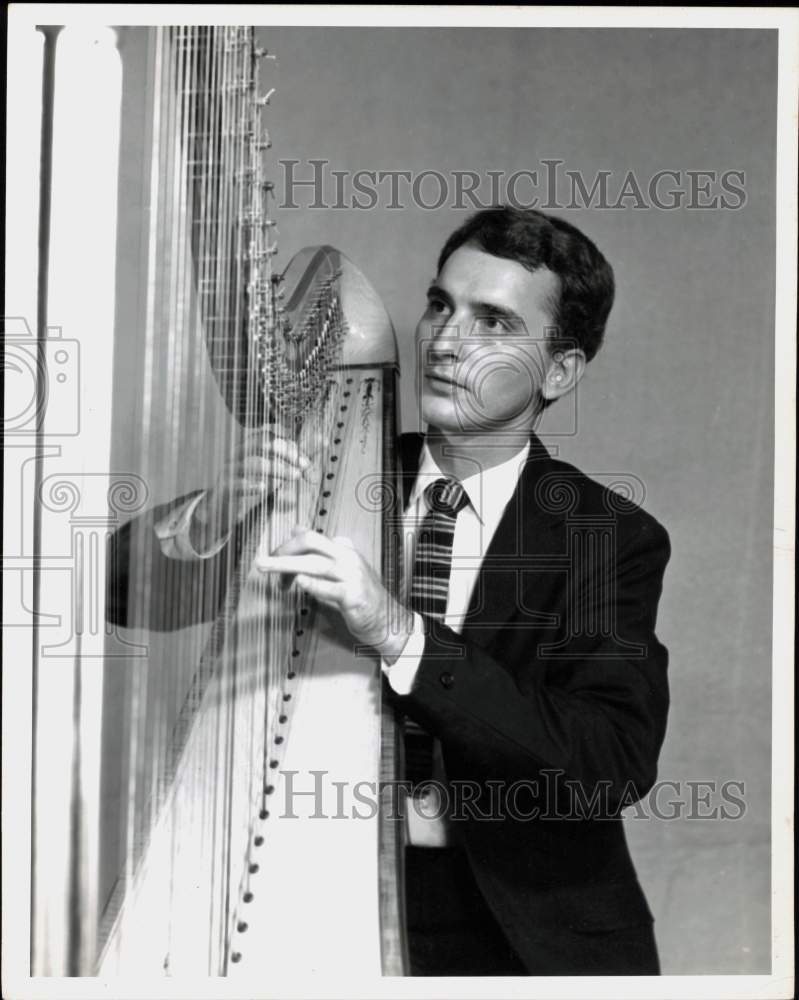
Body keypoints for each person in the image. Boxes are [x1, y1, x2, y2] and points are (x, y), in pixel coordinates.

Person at [108, 206, 670, 976]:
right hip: (315, 895)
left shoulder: (606, 536)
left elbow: (606, 762)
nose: (445, 340)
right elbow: (125, 594)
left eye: (494, 322)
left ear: (560, 370)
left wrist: (397, 633)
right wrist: (208, 517)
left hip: (519, 930)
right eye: (441, 304)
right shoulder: (329, 471)